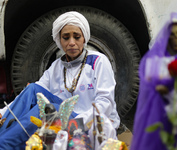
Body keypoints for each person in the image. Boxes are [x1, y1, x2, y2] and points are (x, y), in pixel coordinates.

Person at [0, 11, 120, 149]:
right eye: (66, 38)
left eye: (77, 37)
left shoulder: (98, 61)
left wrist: (77, 122)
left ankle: (4, 145)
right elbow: (33, 92)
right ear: (59, 40)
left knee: (50, 111)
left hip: (89, 124)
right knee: (33, 89)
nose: (71, 43)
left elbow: (105, 103)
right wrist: (3, 112)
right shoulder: (57, 66)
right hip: (63, 120)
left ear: (84, 38)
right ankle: (2, 132)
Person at [130, 12, 177, 150]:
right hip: (162, 109)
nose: (176, 38)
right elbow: (149, 84)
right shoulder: (156, 60)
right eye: (172, 35)